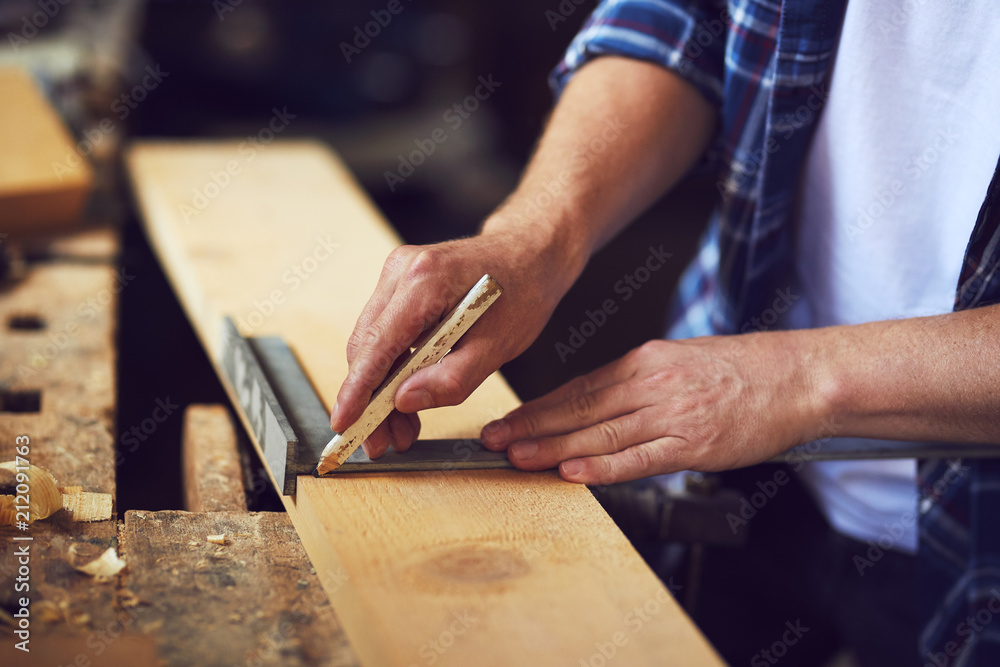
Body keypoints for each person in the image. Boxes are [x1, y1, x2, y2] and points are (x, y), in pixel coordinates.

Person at [330, 1, 1000, 664]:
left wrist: (798, 381)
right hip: (742, 468)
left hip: (973, 549)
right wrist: (534, 238)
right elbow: (691, 20)